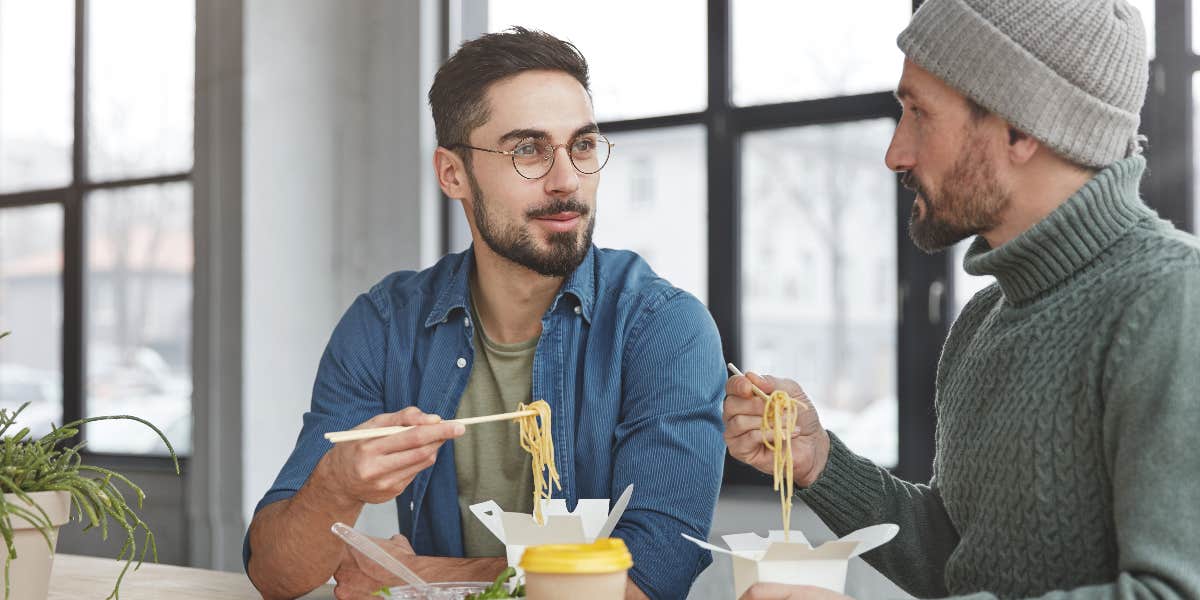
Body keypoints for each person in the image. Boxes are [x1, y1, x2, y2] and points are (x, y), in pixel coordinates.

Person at [725, 1, 1200, 598]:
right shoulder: (982, 321)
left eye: (918, 112)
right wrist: (820, 463)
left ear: (1023, 128)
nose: (895, 153)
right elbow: (958, 559)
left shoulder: (1173, 301)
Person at [244, 27, 726, 600]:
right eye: (528, 150)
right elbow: (273, 574)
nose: (567, 180)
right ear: (452, 174)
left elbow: (651, 581)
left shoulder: (663, 327)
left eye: (583, 145)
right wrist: (336, 485)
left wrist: (425, 573)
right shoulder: (385, 324)